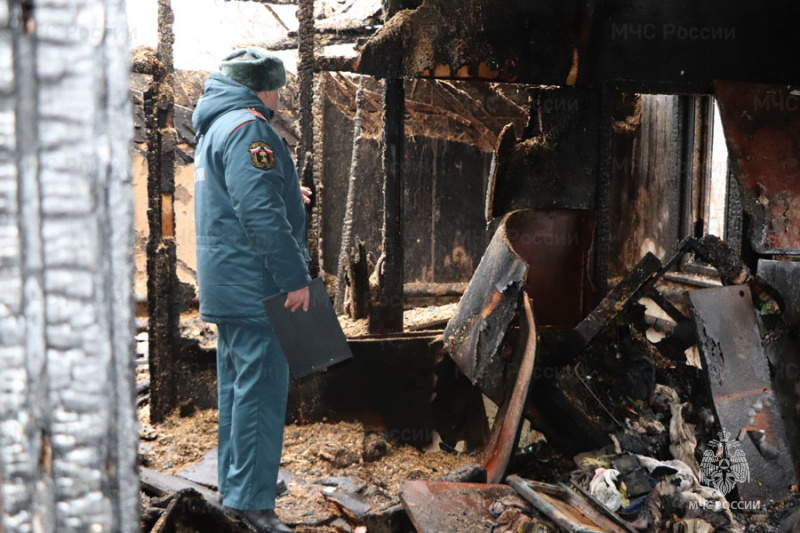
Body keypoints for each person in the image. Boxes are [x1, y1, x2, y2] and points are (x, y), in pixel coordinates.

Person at [192, 48, 312, 533]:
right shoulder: (250, 127)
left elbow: (239, 194)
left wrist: (288, 189)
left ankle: (238, 481)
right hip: (259, 287)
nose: (279, 96)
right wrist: (294, 280)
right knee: (261, 393)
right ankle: (253, 504)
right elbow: (260, 215)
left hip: (227, 285)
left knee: (238, 390)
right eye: (277, 87)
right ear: (263, 88)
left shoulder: (215, 128)